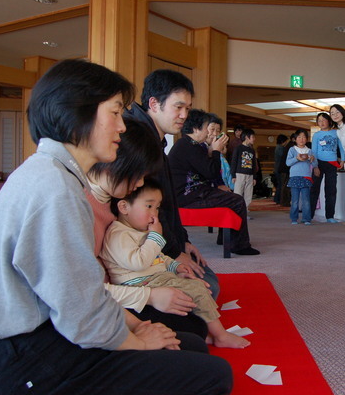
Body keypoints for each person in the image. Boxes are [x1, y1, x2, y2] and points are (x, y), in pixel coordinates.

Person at [0, 59, 232, 395]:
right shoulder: (55, 190)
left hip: (44, 336)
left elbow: (84, 295)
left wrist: (135, 326)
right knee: (212, 374)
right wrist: (137, 340)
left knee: (190, 347)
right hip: (29, 355)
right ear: (77, 113)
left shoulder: (50, 174)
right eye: (115, 113)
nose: (122, 127)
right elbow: (81, 311)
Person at [88, 118, 209, 339]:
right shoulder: (80, 205)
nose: (141, 184)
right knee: (194, 334)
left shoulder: (112, 198)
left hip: (126, 290)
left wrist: (173, 267)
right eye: (139, 175)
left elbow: (155, 249)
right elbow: (81, 292)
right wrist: (150, 296)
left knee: (198, 316)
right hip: (113, 297)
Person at [100, 180, 251, 349]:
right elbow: (139, 263)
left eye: (157, 208)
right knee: (197, 290)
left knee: (197, 286)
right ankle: (220, 335)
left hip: (154, 278)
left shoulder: (139, 230)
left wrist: (174, 266)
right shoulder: (119, 234)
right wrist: (155, 237)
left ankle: (205, 330)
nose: (154, 215)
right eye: (148, 206)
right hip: (140, 283)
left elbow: (159, 257)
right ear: (124, 207)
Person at [125, 69, 222, 294]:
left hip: (162, 245)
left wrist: (183, 243)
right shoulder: (137, 141)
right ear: (154, 103)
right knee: (208, 289)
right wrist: (175, 252)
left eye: (187, 108)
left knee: (206, 278)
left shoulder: (156, 140)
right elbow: (146, 212)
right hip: (140, 251)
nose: (184, 115)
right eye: (178, 107)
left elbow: (168, 204)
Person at [167, 109, 260, 256]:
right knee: (237, 200)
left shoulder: (188, 144)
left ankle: (227, 239)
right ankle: (239, 245)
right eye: (206, 128)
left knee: (230, 197)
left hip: (193, 192)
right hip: (187, 196)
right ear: (196, 128)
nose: (209, 133)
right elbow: (212, 172)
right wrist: (215, 151)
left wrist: (211, 152)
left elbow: (207, 171)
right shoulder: (188, 146)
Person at [310, 112, 345, 223]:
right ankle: (309, 215)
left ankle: (330, 216)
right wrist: (315, 166)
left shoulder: (336, 133)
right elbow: (313, 152)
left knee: (331, 190)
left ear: (329, 120)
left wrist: (343, 160)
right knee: (314, 190)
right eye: (319, 121)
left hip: (332, 164)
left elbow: (342, 147)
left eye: (323, 120)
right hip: (319, 163)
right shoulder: (316, 135)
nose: (321, 123)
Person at [286, 129, 317, 225]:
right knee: (295, 200)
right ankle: (294, 218)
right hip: (294, 177)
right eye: (299, 137)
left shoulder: (310, 151)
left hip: (306, 177)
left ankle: (306, 219)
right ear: (295, 139)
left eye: (304, 137)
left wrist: (312, 159)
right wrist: (296, 158)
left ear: (307, 139)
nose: (301, 139)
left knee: (306, 200)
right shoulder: (292, 150)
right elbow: (288, 163)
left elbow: (315, 164)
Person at [231, 128, 258, 212]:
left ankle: (244, 211)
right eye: (252, 137)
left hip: (250, 175)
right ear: (247, 137)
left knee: (248, 195)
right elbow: (234, 162)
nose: (254, 139)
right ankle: (236, 211)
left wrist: (254, 177)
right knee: (238, 193)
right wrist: (233, 175)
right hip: (239, 174)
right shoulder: (238, 148)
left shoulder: (252, 150)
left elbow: (254, 164)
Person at [273, 134, 289, 203]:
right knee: (280, 184)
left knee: (279, 184)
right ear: (283, 141)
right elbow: (283, 157)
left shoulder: (277, 147)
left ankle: (277, 199)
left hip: (276, 168)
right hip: (279, 169)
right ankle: (278, 199)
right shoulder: (280, 148)